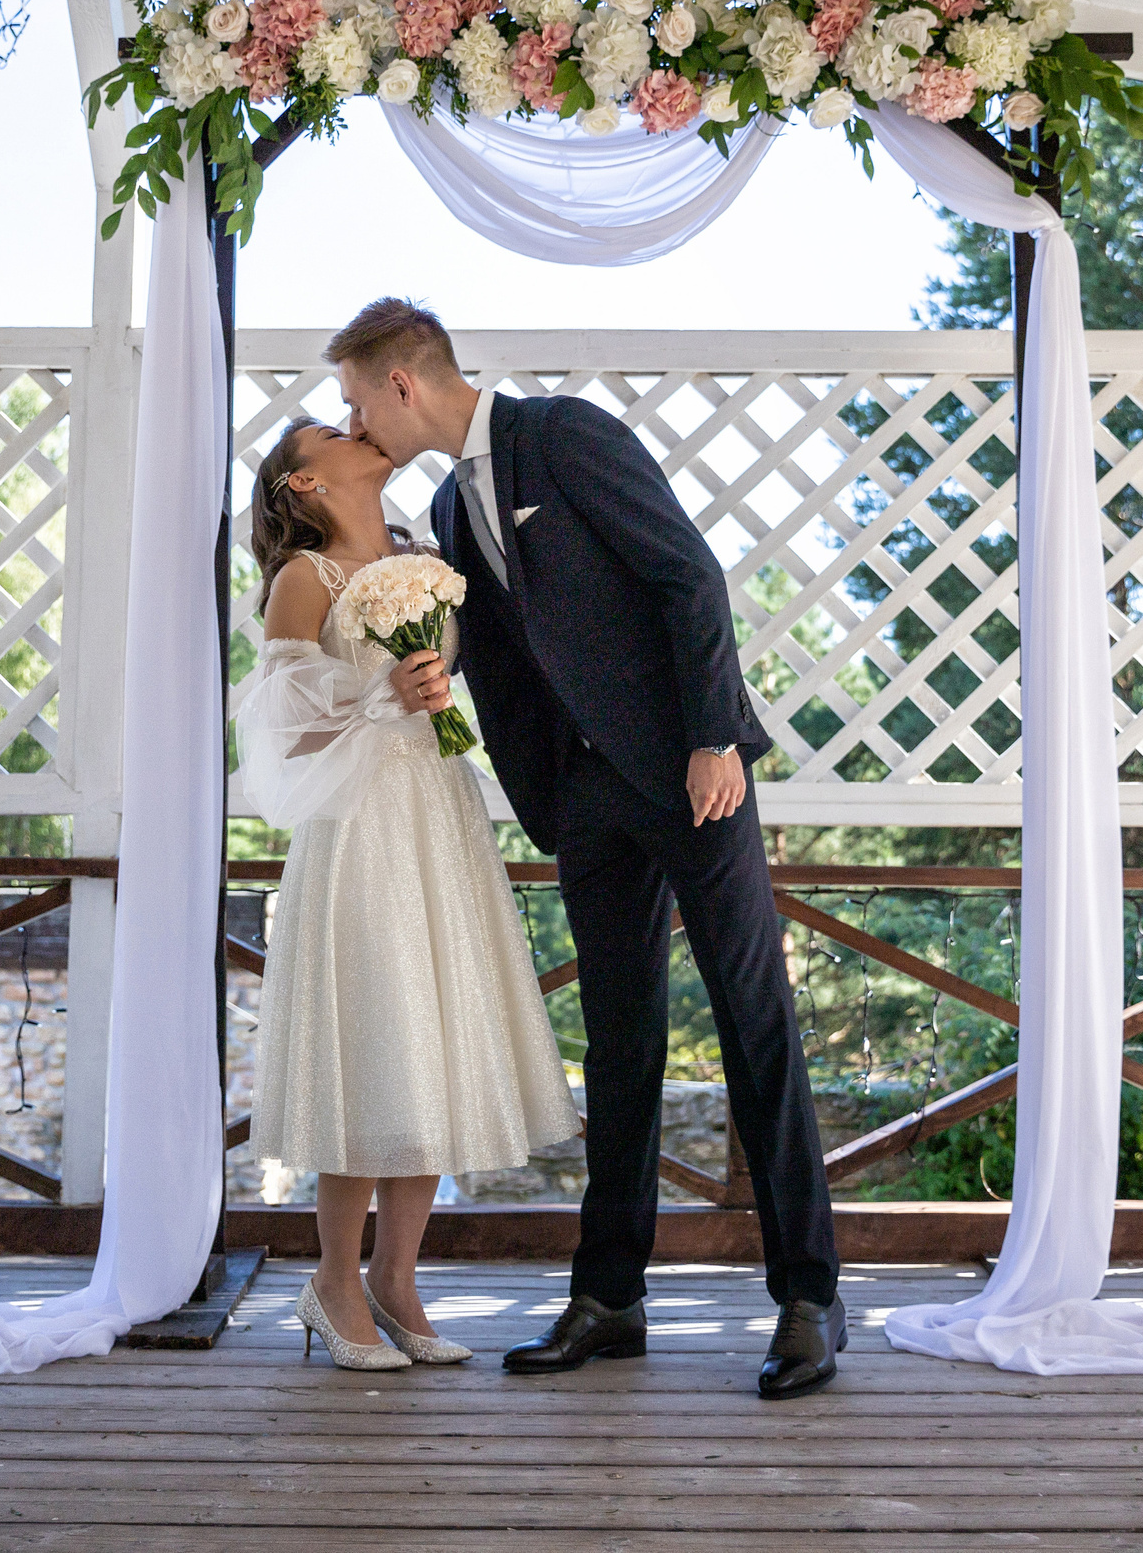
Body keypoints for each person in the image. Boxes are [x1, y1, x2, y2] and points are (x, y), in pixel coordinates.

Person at [333, 298, 845, 1401]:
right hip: (584, 800)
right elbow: (514, 655)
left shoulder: (560, 437)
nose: (355, 421)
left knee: (754, 1026)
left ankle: (809, 1299)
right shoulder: (449, 514)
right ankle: (610, 1299)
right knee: (618, 1046)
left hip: (690, 774)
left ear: (403, 385)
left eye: (356, 400)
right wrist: (437, 677)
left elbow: (687, 576)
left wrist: (715, 737)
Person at [237, 417, 580, 1372]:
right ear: (303, 485)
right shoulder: (306, 581)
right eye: (329, 434)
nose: (357, 431)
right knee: (373, 1040)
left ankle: (396, 1275)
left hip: (437, 810)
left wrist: (429, 692)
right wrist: (380, 693)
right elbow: (280, 729)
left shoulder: (427, 558)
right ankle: (332, 1280)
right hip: (360, 829)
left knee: (430, 1036)